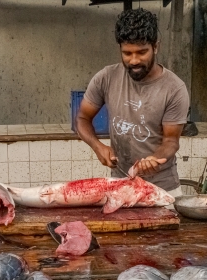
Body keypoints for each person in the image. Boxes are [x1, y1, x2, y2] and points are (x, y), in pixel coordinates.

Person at [76, 8, 190, 197]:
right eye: (127, 53)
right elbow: (82, 118)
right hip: (120, 186)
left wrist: (155, 158)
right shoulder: (106, 77)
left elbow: (171, 141)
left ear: (155, 47)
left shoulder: (174, 88)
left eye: (142, 52)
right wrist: (98, 146)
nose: (134, 60)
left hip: (162, 189)